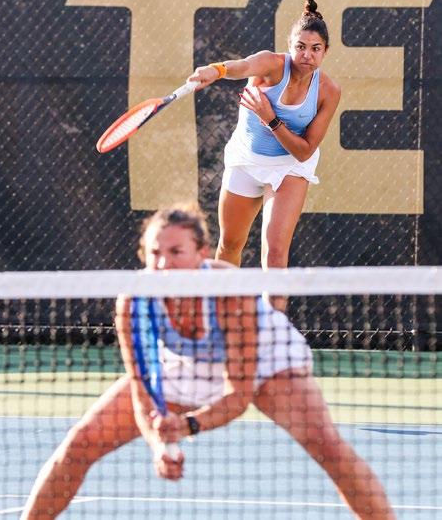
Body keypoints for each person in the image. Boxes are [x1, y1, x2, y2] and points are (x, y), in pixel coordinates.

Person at [20, 204, 395, 519]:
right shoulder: (133, 302)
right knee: (81, 443)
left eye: (176, 252)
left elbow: (238, 396)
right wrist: (158, 443)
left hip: (267, 360)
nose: (163, 264)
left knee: (327, 446)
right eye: (155, 253)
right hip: (185, 364)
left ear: (201, 253)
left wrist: (187, 426)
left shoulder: (229, 292)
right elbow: (142, 391)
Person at [188, 0, 340, 310]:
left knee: (274, 252)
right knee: (230, 245)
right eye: (300, 47)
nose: (307, 55)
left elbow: (304, 150)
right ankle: (221, 321)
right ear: (290, 47)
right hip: (245, 160)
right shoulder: (271, 64)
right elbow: (239, 66)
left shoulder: (328, 91)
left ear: (325, 52)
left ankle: (275, 332)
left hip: (289, 168)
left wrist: (270, 118)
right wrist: (213, 71)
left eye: (315, 49)